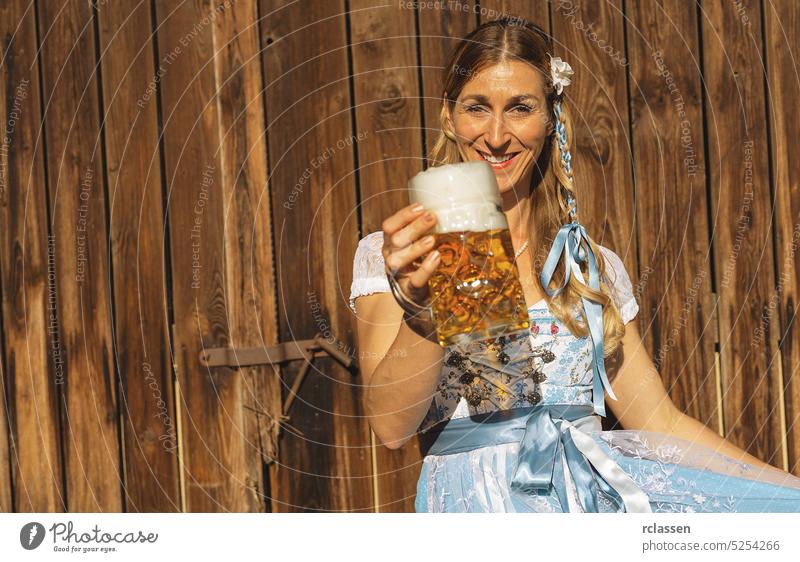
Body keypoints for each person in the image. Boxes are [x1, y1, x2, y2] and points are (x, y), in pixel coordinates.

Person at [349, 17, 800, 513]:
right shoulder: (401, 256)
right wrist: (427, 307)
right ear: (450, 117)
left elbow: (660, 423)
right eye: (477, 107)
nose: (496, 135)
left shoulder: (586, 265)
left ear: (551, 118)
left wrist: (788, 491)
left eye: (520, 108)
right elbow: (391, 428)